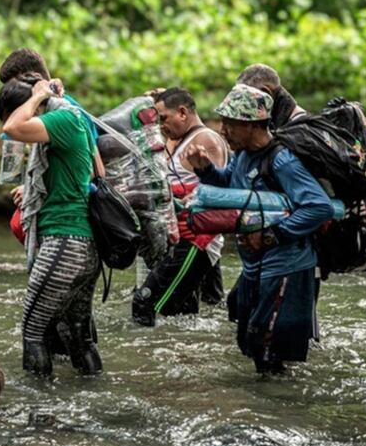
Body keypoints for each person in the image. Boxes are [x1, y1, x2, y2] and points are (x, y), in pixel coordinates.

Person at [183, 84, 332, 373]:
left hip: (286, 266)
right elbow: (231, 184)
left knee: (268, 350)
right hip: (255, 266)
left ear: (252, 125)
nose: (222, 131)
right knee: (250, 343)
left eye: (230, 124)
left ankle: (282, 411)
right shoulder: (242, 155)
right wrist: (205, 169)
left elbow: (319, 207)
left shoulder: (283, 161)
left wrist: (272, 235)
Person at [0, 75, 101, 376]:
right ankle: (95, 394)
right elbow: (93, 173)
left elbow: (12, 127)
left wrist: (34, 97)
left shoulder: (61, 118)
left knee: (33, 331)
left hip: (64, 242)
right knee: (76, 337)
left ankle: (37, 412)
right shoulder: (72, 118)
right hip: (83, 246)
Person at [132, 87, 229, 325]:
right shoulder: (177, 141)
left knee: (146, 304)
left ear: (183, 113)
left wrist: (187, 199)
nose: (161, 124)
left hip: (196, 240)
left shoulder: (205, 139)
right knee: (182, 317)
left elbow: (221, 190)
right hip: (179, 237)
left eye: (164, 118)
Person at [236, 63, 306, 128]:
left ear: (266, 92)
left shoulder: (300, 129)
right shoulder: (284, 124)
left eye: (248, 98)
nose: (246, 105)